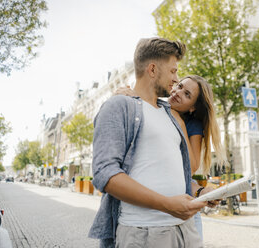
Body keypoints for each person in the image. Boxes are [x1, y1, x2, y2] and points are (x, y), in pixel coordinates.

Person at [89, 37, 210, 248]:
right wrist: (167, 205)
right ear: (152, 70)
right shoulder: (119, 106)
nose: (176, 79)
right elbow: (104, 173)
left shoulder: (171, 115)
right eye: (173, 71)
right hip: (144, 234)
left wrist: (199, 191)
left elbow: (173, 172)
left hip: (185, 231)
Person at [115, 75, 227, 239]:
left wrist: (179, 123)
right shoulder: (158, 106)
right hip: (148, 213)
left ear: (192, 108)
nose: (178, 92)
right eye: (180, 86)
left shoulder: (191, 124)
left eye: (187, 95)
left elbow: (192, 166)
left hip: (183, 210)